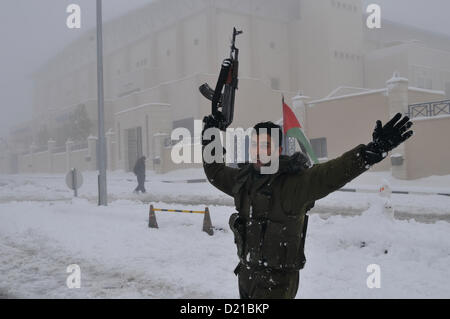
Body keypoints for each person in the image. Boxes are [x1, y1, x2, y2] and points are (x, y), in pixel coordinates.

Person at [202, 113, 413, 299]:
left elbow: (332, 173)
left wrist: (370, 152)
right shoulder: (244, 180)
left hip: (277, 283)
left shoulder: (296, 183)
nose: (258, 152)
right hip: (246, 276)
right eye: (255, 144)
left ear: (278, 149)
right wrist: (211, 135)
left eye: (265, 145)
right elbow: (216, 172)